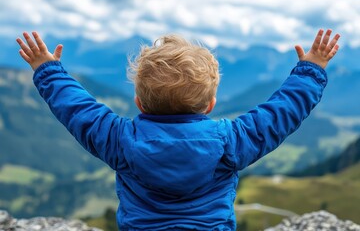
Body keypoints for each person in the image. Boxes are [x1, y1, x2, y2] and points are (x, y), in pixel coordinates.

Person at [16, 29, 340, 230]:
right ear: (211, 104)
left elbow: (77, 109)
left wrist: (47, 70)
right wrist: (310, 70)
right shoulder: (229, 142)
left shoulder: (120, 140)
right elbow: (280, 113)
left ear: (139, 103)